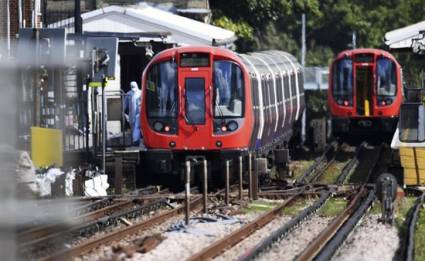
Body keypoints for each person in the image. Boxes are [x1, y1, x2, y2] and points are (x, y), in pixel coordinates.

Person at [124, 81, 142, 146]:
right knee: (133, 128)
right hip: (131, 114)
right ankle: (135, 141)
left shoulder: (141, 93)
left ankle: (136, 141)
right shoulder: (128, 94)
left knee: (137, 127)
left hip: (139, 114)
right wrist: (123, 113)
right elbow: (124, 104)